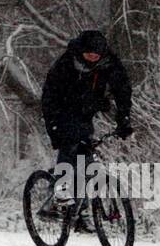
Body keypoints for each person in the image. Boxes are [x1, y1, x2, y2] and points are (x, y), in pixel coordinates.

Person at [40, 29, 133, 216]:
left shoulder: (110, 63)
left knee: (86, 154)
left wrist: (123, 119)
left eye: (96, 56)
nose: (92, 59)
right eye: (89, 55)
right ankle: (59, 195)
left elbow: (123, 90)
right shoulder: (66, 64)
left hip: (86, 111)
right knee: (71, 142)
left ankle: (81, 211)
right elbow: (50, 98)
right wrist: (54, 130)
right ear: (81, 51)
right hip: (61, 109)